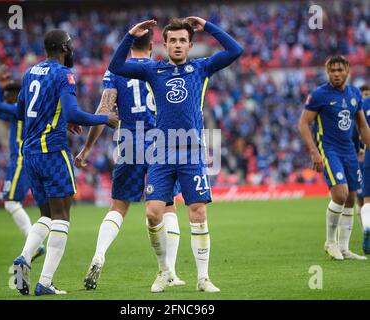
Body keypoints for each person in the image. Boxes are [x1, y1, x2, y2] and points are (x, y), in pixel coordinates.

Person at [109, 17, 244, 292]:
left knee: (197, 213)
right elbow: (116, 66)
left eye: (183, 40)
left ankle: (203, 278)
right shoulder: (152, 70)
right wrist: (130, 34)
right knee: (153, 213)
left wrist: (208, 25)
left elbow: (235, 50)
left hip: (192, 150)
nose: (179, 44)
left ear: (191, 44)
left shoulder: (201, 67)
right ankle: (164, 271)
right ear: (165, 44)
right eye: (173, 40)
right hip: (161, 150)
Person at [74, 30, 185, 290]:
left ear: (130, 44)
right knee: (168, 207)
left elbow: (104, 110)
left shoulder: (116, 71)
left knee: (118, 207)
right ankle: (170, 271)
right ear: (152, 45)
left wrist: (87, 148)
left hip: (128, 142)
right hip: (160, 143)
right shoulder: (161, 67)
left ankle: (99, 254)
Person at [12, 29, 118, 296]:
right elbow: (72, 112)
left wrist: (58, 119)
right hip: (53, 151)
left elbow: (20, 111)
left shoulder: (30, 72)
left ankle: (24, 258)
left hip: (31, 153)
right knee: (62, 217)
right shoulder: (64, 75)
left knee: (46, 215)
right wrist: (105, 119)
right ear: (62, 48)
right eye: (70, 45)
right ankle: (45, 282)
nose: (72, 49)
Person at [299, 55, 370, 261]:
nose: (336, 74)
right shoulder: (319, 95)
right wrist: (314, 151)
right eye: (332, 71)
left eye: (340, 70)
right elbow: (304, 124)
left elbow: (362, 125)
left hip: (349, 151)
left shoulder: (355, 94)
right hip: (329, 150)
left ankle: (344, 248)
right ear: (327, 72)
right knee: (340, 194)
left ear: (348, 70)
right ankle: (330, 242)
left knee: (349, 198)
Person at [0, 65, 45, 261]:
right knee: (12, 203)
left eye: (9, 93)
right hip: (21, 158)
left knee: (12, 202)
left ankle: (35, 244)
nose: (6, 97)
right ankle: (35, 244)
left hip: (21, 159)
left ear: (17, 95)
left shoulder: (17, 108)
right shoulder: (18, 110)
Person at [354, 85, 370, 229]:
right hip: (360, 158)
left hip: (366, 157)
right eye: (362, 94)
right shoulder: (359, 109)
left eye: (367, 93)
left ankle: (366, 227)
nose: (364, 96)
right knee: (360, 198)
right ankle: (364, 226)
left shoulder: (364, 109)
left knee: (366, 198)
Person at [359, 94, 370, 253]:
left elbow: (359, 129)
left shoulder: (365, 104)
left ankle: (367, 227)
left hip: (368, 152)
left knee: (367, 199)